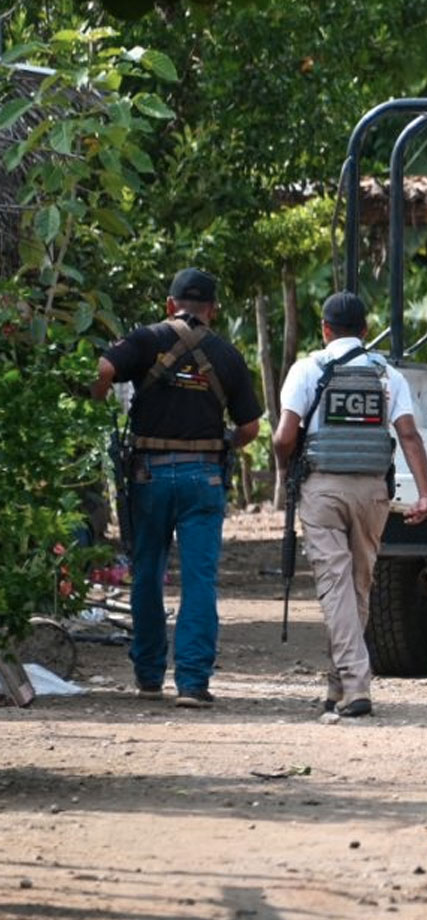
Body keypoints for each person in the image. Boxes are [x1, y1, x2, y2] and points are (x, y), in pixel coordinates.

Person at [91, 267, 262, 708]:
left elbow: (104, 367)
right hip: (203, 476)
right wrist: (221, 441)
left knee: (147, 572)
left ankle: (149, 675)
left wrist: (96, 399)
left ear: (170, 305)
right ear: (213, 311)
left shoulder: (145, 340)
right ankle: (192, 683)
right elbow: (250, 427)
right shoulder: (226, 354)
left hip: (148, 474)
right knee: (199, 578)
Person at [272, 292, 427, 719]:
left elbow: (284, 437)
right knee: (357, 586)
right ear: (364, 330)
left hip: (322, 489)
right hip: (373, 492)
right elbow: (410, 436)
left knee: (335, 585)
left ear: (324, 329)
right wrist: (425, 492)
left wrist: (284, 470)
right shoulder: (387, 375)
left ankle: (357, 685)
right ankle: (338, 685)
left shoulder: (308, 370)